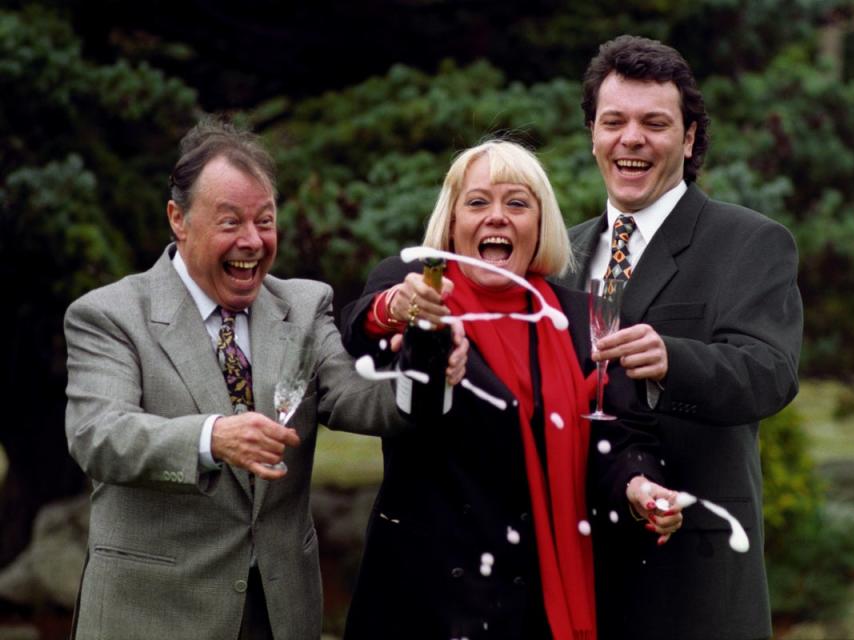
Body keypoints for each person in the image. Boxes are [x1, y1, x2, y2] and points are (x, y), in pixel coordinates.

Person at [63, 117, 466, 640]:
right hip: (153, 615)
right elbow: (99, 435)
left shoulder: (302, 306)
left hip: (277, 615)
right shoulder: (110, 314)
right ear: (177, 219)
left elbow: (359, 400)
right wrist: (211, 437)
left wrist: (429, 368)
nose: (252, 241)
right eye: (230, 223)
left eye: (265, 221)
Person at [338, 139, 683, 640]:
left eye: (517, 204)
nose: (497, 217)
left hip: (540, 598)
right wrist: (396, 309)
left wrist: (638, 487)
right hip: (430, 598)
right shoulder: (418, 288)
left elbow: (621, 437)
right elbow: (362, 334)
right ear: (452, 222)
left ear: (540, 225)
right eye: (477, 202)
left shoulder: (588, 319)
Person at [558, 35, 804, 639]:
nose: (631, 138)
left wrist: (674, 360)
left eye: (655, 123)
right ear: (593, 135)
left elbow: (770, 374)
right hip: (572, 576)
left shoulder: (749, 243)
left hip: (690, 583)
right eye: (613, 121)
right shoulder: (557, 254)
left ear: (690, 138)